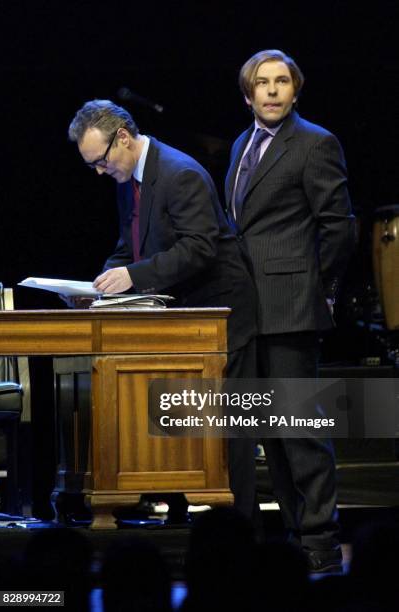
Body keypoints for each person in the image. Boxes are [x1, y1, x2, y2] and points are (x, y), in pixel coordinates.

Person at [67, 99, 258, 520]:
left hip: (221, 316)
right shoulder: (129, 178)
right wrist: (101, 287)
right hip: (181, 317)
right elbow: (127, 247)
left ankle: (247, 535)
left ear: (122, 138)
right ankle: (177, 515)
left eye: (100, 161)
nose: (99, 172)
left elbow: (199, 248)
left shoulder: (180, 173)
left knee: (231, 433)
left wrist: (133, 277)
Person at [225, 49, 355, 572]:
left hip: (293, 309)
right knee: (271, 437)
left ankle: (321, 541)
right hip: (251, 312)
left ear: (296, 91)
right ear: (248, 94)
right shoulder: (241, 143)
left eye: (282, 82)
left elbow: (339, 226)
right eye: (263, 83)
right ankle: (295, 537)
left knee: (302, 432)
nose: (273, 90)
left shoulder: (315, 143)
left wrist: (317, 290)